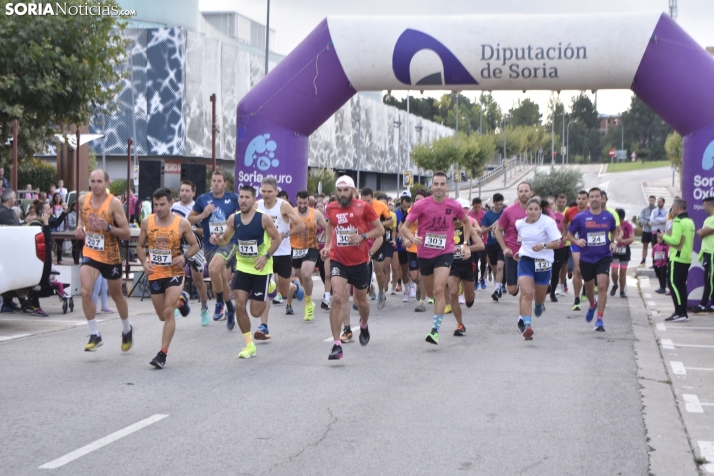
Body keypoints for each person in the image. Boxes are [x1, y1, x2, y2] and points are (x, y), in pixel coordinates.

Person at [399, 172, 472, 345]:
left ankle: (435, 330)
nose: (439, 187)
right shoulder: (421, 205)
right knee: (431, 292)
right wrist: (411, 238)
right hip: (424, 253)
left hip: (445, 252)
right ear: (431, 187)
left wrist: (466, 243)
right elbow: (404, 227)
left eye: (442, 184)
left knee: (440, 290)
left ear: (447, 186)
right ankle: (430, 301)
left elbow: (467, 222)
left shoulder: (453, 205)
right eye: (436, 184)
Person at [211, 186, 282, 358]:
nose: (243, 200)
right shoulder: (233, 219)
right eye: (241, 197)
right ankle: (249, 345)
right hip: (243, 266)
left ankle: (270, 287)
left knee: (256, 312)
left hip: (261, 268)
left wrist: (266, 256)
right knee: (240, 305)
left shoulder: (263, 219)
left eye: (247, 197)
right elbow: (225, 240)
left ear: (253, 200)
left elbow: (277, 238)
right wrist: (217, 240)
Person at [136, 187, 200, 368]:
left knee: (167, 311)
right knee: (161, 316)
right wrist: (144, 263)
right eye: (156, 204)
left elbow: (195, 245)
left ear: (172, 203)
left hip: (174, 272)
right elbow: (140, 247)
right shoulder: (147, 223)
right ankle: (182, 301)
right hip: (155, 273)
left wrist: (184, 257)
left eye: (163, 204)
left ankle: (162, 354)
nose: (159, 208)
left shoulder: (182, 224)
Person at [322, 175, 383, 360]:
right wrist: (327, 245)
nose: (342, 194)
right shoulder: (331, 208)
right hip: (338, 260)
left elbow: (380, 230)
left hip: (359, 262)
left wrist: (363, 236)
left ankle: (363, 324)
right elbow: (330, 224)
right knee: (338, 298)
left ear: (353, 191)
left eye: (345, 190)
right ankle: (336, 345)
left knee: (361, 302)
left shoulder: (363, 207)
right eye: (339, 191)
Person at [75, 169, 133, 351]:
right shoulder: (82, 200)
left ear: (107, 183)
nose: (96, 185)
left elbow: (126, 232)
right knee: (86, 292)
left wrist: (108, 227)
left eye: (100, 181)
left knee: (116, 296)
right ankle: (95, 334)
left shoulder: (114, 204)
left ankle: (126, 328)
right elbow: (81, 217)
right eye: (93, 181)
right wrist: (79, 227)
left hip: (110, 255)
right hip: (91, 252)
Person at [255, 177, 305, 338]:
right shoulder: (257, 205)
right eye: (263, 191)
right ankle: (264, 326)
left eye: (270, 191)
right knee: (265, 291)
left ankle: (294, 287)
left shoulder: (283, 206)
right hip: (264, 254)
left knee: (283, 291)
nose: (266, 194)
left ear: (276, 192)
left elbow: (301, 225)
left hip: (282, 253)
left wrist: (285, 233)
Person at [189, 170, 239, 327]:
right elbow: (190, 219)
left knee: (212, 269)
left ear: (225, 183)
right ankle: (230, 308)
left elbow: (245, 214)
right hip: (210, 244)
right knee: (222, 279)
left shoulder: (233, 199)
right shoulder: (203, 199)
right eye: (214, 181)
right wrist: (203, 214)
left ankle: (219, 303)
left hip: (228, 242)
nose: (216, 183)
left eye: (219, 181)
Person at [567, 188, 620, 332]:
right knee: (589, 290)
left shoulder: (609, 217)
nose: (595, 199)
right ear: (589, 199)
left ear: (602, 199)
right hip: (586, 258)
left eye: (598, 196)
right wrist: (577, 242)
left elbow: (614, 231)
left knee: (602, 286)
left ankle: (600, 319)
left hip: (603, 256)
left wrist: (613, 241)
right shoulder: (580, 217)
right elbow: (569, 234)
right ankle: (592, 304)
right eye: (592, 197)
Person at [514, 198, 562, 340]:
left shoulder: (548, 222)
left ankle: (540, 304)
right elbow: (524, 241)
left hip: (543, 262)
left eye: (536, 209)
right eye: (530, 209)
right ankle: (527, 326)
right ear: (526, 210)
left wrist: (543, 246)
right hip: (526, 261)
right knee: (527, 294)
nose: (533, 212)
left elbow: (557, 243)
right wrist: (520, 252)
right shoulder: (520, 224)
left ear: (540, 210)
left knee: (539, 297)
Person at [171, 180, 210, 324]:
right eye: (182, 190)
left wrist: (189, 230)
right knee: (175, 276)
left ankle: (204, 308)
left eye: (187, 191)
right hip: (178, 247)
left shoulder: (198, 209)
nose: (184, 193)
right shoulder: (173, 207)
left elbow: (206, 231)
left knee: (198, 281)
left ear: (193, 193)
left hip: (195, 247)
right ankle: (178, 302)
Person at [291, 190, 328, 321]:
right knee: (302, 278)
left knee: (307, 275)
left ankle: (308, 304)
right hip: (295, 248)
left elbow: (327, 227)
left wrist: (325, 240)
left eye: (305, 203)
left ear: (309, 202)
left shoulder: (316, 213)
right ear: (296, 201)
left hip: (311, 247)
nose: (302, 206)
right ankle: (308, 299)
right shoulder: (291, 212)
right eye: (300, 203)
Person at [448, 198, 484, 336]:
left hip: (469, 264)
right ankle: (460, 325)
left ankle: (469, 299)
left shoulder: (468, 227)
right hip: (453, 265)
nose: (456, 220)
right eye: (454, 217)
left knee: (469, 298)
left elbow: (481, 245)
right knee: (453, 292)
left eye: (459, 217)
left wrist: (467, 247)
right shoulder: (447, 228)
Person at [494, 182, 534, 300]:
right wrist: (504, 248)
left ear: (531, 193)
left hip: (530, 253)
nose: (523, 194)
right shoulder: (509, 211)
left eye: (526, 191)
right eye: (521, 191)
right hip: (512, 252)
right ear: (517, 193)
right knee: (511, 290)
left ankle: (524, 313)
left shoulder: (537, 210)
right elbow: (498, 230)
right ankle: (517, 286)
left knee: (526, 288)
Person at [659, 199, 695, 322]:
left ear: (677, 208)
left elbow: (675, 241)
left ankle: (679, 312)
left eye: (672, 208)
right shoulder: (690, 221)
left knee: (673, 283)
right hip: (687, 257)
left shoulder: (679, 221)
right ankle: (683, 312)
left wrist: (663, 236)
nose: (672, 210)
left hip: (677, 257)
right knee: (681, 285)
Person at [360, 187, 393, 309]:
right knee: (362, 270)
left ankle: (381, 291)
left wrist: (378, 224)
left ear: (373, 197)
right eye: (363, 201)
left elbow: (390, 222)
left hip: (378, 239)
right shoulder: (359, 206)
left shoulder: (381, 206)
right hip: (363, 240)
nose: (366, 204)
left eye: (368, 201)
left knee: (379, 271)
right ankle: (363, 296)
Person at [562, 190, 589, 310]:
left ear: (587, 200)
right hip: (575, 243)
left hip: (589, 244)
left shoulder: (591, 211)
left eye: (584, 199)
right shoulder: (570, 211)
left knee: (587, 271)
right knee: (577, 270)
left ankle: (585, 288)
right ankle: (577, 299)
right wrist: (565, 234)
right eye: (579, 198)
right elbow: (564, 222)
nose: (581, 201)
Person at [480, 193, 506, 301]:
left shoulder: (505, 213)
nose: (499, 206)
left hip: (502, 244)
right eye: (497, 204)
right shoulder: (487, 215)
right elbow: (482, 230)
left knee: (500, 266)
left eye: (501, 204)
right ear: (493, 203)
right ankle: (498, 286)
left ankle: (496, 290)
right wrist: (492, 227)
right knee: (495, 269)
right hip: (490, 244)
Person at [693, 196, 714, 313]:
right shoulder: (709, 219)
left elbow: (701, 233)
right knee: (710, 279)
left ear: (710, 205)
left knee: (708, 279)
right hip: (707, 252)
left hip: (711, 253)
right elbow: (701, 234)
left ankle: (703, 304)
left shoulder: (712, 220)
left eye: (705, 205)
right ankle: (711, 305)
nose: (703, 208)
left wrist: (702, 231)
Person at [610, 209, 635, 298]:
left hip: (625, 250)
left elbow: (632, 239)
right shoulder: (613, 224)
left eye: (619, 219)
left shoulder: (628, 225)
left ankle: (622, 291)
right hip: (615, 250)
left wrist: (622, 240)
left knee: (623, 272)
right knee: (614, 271)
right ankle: (615, 284)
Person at [548, 197, 567, 302]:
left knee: (556, 270)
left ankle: (552, 293)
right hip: (546, 248)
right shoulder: (543, 217)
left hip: (559, 247)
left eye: (552, 203)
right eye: (548, 204)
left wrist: (564, 237)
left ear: (555, 204)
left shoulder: (561, 217)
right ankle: (545, 287)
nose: (550, 206)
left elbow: (566, 231)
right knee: (546, 269)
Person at [395, 194, 413, 303]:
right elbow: (398, 228)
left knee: (413, 269)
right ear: (401, 204)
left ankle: (412, 286)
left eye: (408, 206)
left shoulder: (414, 212)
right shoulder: (396, 214)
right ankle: (406, 290)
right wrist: (401, 237)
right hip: (401, 245)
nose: (406, 209)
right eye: (404, 206)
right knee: (404, 269)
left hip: (412, 244)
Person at [470, 197, 488, 290]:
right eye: (475, 207)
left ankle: (482, 279)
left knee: (484, 262)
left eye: (479, 207)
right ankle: (475, 281)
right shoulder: (469, 215)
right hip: (473, 243)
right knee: (475, 262)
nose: (477, 209)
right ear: (472, 206)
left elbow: (486, 226)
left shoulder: (484, 214)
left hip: (483, 242)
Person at [638, 196, 656, 266]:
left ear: (654, 201)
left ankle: (654, 261)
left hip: (653, 231)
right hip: (645, 230)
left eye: (652, 200)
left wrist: (652, 222)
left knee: (654, 246)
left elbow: (657, 219)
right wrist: (647, 222)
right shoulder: (644, 210)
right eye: (650, 200)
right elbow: (640, 219)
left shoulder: (656, 210)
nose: (651, 202)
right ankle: (643, 260)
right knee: (644, 246)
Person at [50, 192, 67, 263]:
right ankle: (51, 258)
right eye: (56, 197)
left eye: (59, 197)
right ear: (54, 198)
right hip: (54, 227)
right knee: (52, 244)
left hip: (62, 226)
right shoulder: (51, 206)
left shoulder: (63, 206)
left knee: (60, 244)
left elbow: (65, 215)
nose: (57, 198)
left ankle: (59, 259)